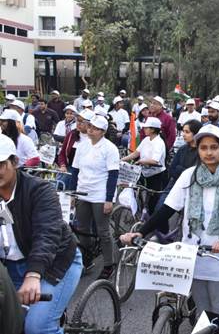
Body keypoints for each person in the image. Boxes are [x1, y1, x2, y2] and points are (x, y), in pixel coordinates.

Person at [120, 124, 219, 324]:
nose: (208, 152)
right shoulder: (189, 175)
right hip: (193, 254)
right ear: (197, 150)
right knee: (203, 310)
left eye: (213, 147)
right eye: (203, 147)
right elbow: (168, 209)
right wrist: (141, 232)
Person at [0, 134, 82, 334]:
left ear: (15, 162)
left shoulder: (39, 189)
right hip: (9, 267)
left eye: (0, 164)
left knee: (37, 327)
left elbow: (47, 234)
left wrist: (33, 274)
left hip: (54, 263)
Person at [71, 115, 120, 277]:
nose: (90, 129)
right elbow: (75, 171)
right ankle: (87, 260)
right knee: (82, 229)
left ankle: (108, 264)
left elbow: (113, 175)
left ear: (102, 132)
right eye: (89, 126)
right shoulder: (82, 146)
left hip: (100, 193)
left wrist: (109, 199)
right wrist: (72, 193)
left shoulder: (110, 148)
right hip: (82, 191)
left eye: (94, 128)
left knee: (103, 231)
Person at [121, 117, 168, 232]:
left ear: (153, 129)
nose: (144, 129)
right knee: (133, 187)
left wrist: (143, 161)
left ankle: (159, 229)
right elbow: (136, 153)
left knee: (154, 204)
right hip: (144, 172)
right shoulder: (146, 140)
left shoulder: (159, 142)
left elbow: (155, 161)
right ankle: (140, 211)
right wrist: (122, 159)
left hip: (157, 175)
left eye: (146, 127)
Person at [57, 109, 93, 191]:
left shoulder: (93, 138)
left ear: (90, 124)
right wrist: (62, 165)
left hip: (87, 171)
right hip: (70, 169)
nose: (78, 123)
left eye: (81, 121)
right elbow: (62, 153)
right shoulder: (71, 135)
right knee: (60, 184)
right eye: (77, 120)